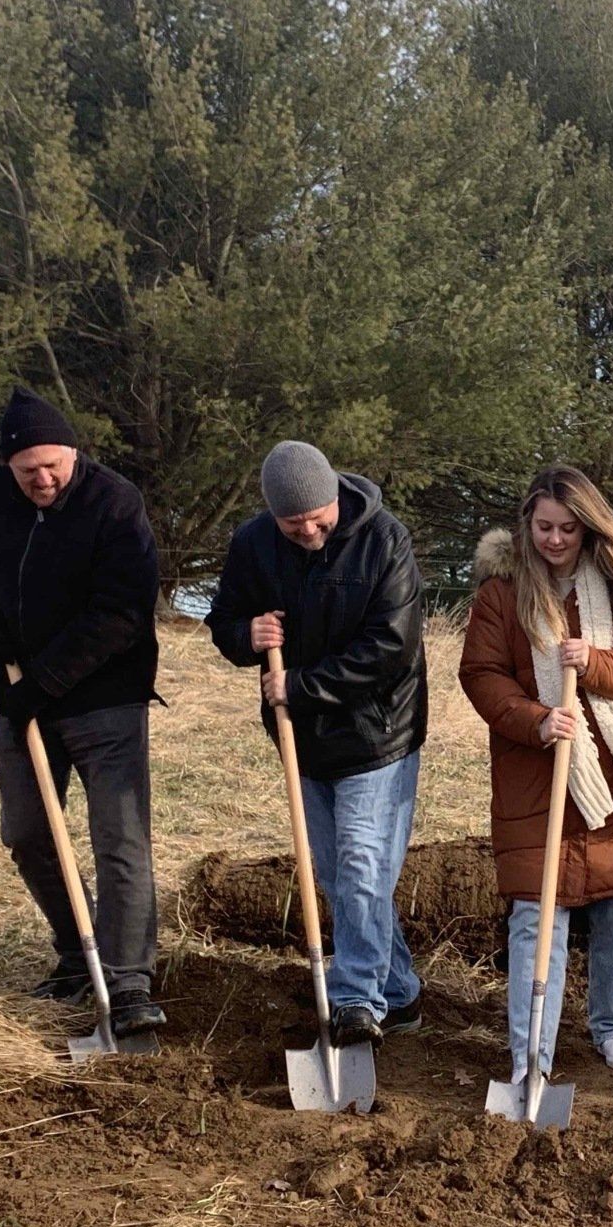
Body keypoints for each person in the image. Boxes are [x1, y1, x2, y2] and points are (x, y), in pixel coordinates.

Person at [0, 386, 165, 1036]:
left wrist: (45, 679)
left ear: (73, 453)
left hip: (106, 701)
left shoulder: (114, 504)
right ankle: (77, 953)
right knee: (28, 835)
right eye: (27, 469)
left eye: (52, 466)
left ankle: (127, 986)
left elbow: (121, 612)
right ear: (9, 466)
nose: (42, 479)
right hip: (20, 702)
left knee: (119, 841)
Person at [458, 466, 613, 1080]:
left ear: (587, 528)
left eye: (567, 528)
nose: (554, 540)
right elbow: (480, 675)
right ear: (526, 525)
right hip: (536, 778)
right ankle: (532, 1057)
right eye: (544, 527)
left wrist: (600, 663)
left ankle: (612, 1026)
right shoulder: (501, 593)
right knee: (536, 921)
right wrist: (535, 720)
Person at [206, 441, 429, 1048]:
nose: (308, 531)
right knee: (341, 876)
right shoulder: (253, 545)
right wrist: (245, 635)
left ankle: (357, 997)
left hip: (378, 734)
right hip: (301, 741)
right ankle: (402, 990)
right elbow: (222, 619)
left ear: (336, 494)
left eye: (317, 518)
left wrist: (299, 685)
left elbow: (391, 648)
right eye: (293, 523)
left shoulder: (384, 539)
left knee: (362, 865)